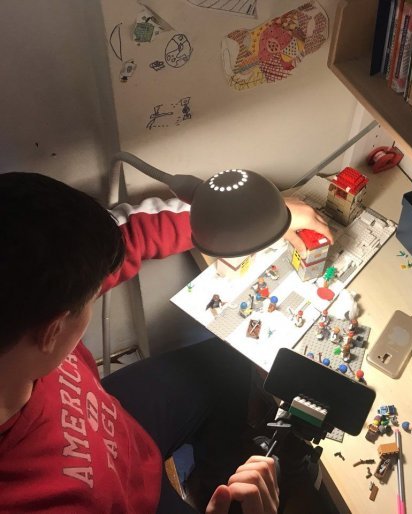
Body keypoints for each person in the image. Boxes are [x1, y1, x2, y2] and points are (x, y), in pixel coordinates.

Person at [0, 171, 334, 513]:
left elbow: (116, 238)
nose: (96, 292)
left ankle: (213, 479)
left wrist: (250, 220)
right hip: (129, 501)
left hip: (112, 422)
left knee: (227, 360)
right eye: (89, 299)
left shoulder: (21, 303)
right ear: (52, 332)